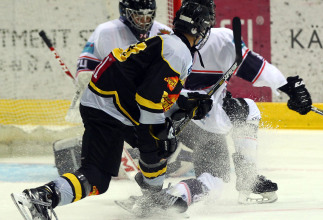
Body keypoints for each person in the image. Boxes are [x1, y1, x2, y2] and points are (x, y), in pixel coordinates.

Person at [10, 2, 213, 220]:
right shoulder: (178, 51)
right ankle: (43, 197)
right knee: (110, 169)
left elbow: (154, 89)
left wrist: (185, 103)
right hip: (109, 109)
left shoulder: (168, 43)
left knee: (149, 147)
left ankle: (150, 197)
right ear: (200, 28)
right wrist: (159, 131)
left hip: (108, 104)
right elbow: (148, 99)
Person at [124, 0, 313, 213]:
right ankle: (243, 178)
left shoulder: (163, 40)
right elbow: (261, 70)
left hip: (166, 121)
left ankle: (158, 192)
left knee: (208, 158)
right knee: (220, 173)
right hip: (199, 121)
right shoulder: (221, 40)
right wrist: (289, 87)